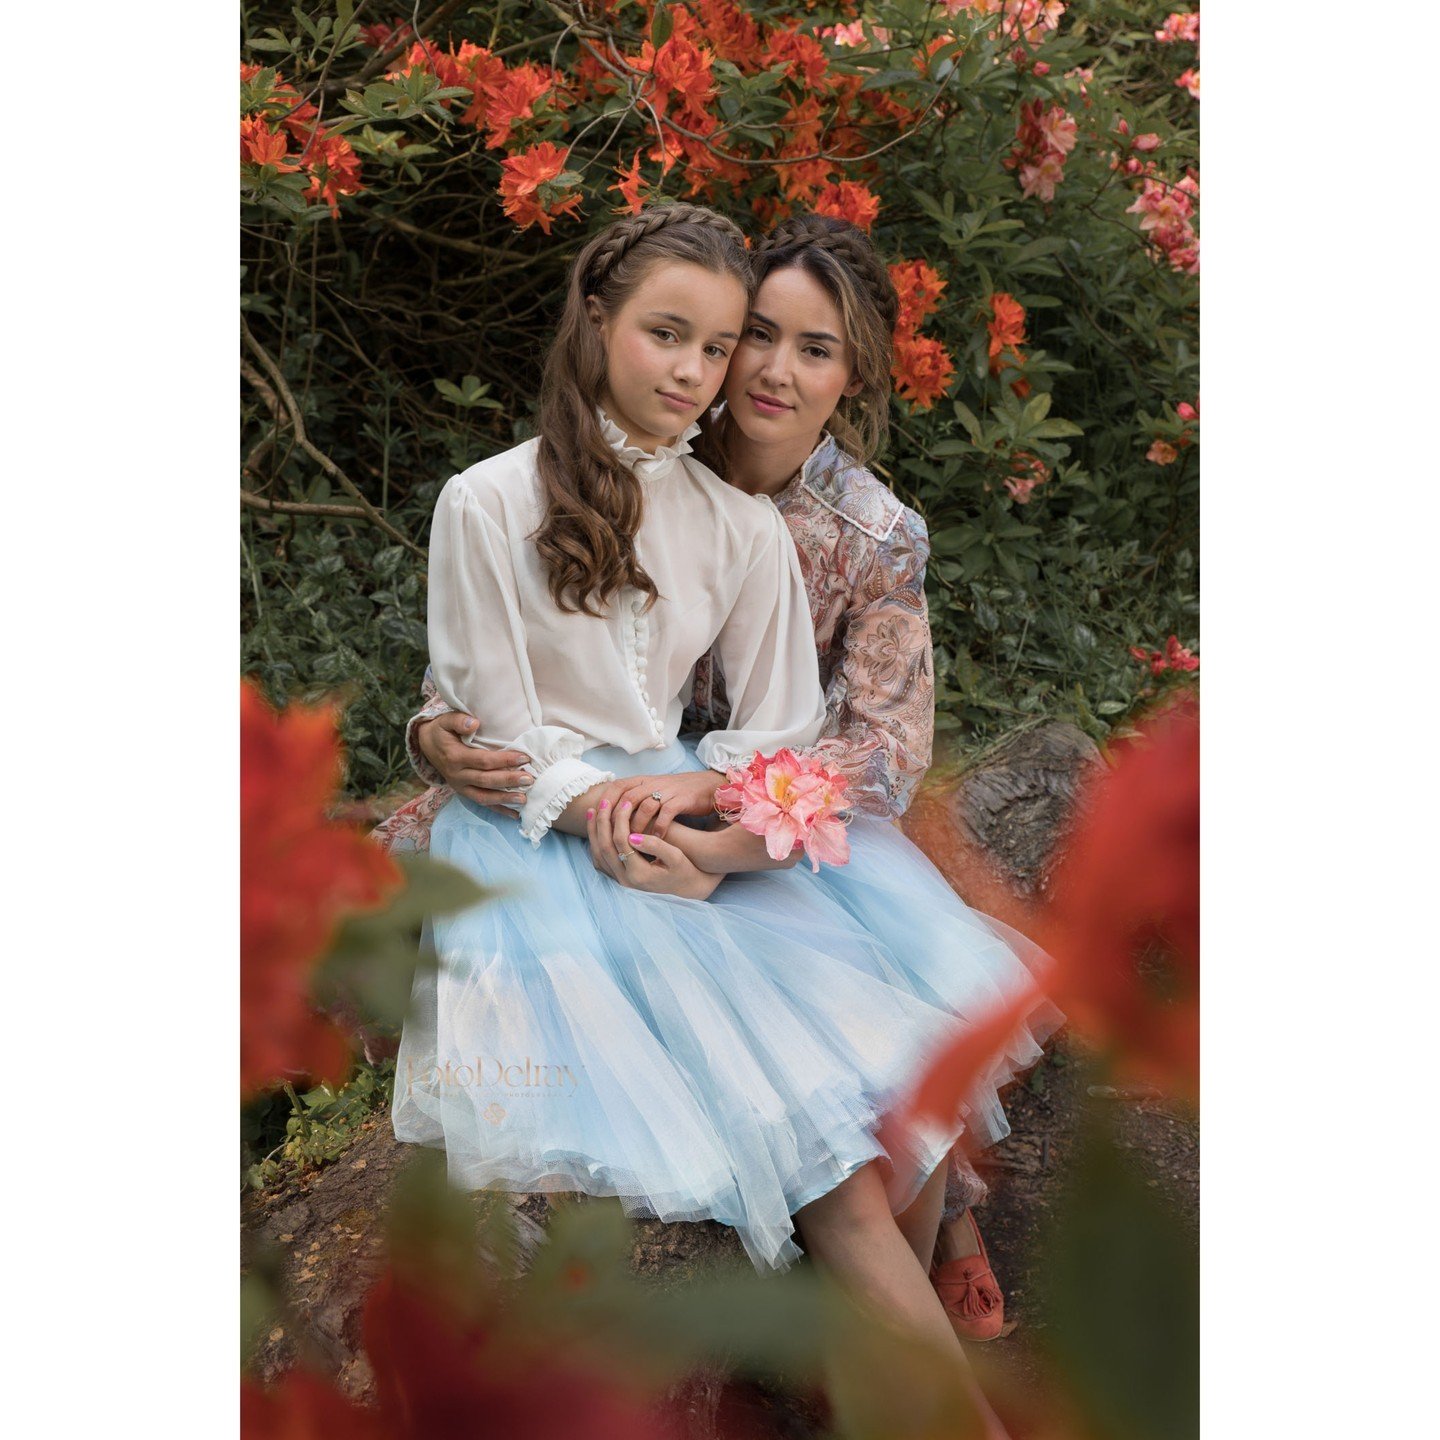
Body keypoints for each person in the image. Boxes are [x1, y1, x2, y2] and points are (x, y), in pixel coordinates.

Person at [384, 202, 1053, 1432]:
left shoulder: (804, 528)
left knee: (880, 1103)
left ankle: (891, 1377)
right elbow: (488, 711)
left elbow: (826, 737)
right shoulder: (487, 500)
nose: (712, 371)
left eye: (742, 344)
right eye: (684, 339)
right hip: (553, 838)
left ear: (850, 379)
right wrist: (540, 782)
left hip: (722, 820)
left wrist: (715, 813)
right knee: (834, 1157)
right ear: (598, 320)